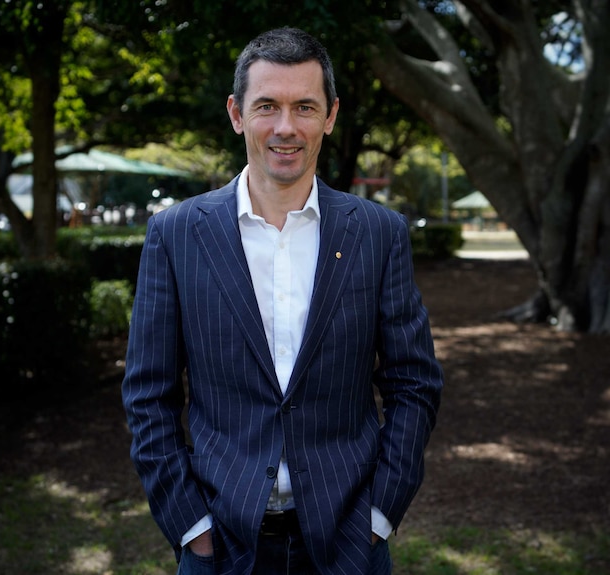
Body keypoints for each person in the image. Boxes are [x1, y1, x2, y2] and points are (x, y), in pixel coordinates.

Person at [122, 26, 444, 575]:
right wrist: (190, 526)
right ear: (236, 113)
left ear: (331, 115)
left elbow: (414, 383)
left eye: (305, 107)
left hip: (349, 542)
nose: (285, 127)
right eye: (266, 105)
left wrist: (380, 515)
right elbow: (148, 394)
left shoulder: (378, 233)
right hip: (218, 544)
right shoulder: (175, 235)